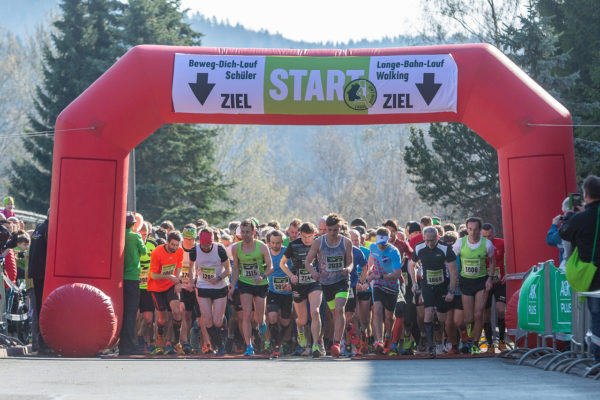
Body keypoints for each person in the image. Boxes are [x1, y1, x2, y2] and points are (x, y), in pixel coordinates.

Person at [559, 175, 600, 363]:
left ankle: (597, 360)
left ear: (585, 194)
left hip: (593, 275)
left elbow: (564, 232)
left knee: (597, 316)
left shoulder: (581, 217)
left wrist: (570, 215)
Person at [305, 213, 353, 358]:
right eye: (329, 230)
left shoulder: (346, 242)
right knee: (333, 313)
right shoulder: (319, 242)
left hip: (341, 280)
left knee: (339, 309)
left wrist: (348, 269)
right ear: (326, 229)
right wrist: (313, 272)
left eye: (335, 230)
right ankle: (338, 338)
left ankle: (337, 343)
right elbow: (307, 262)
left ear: (340, 228)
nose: (332, 233)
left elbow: (350, 262)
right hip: (326, 283)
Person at [410, 226, 458, 356]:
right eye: (427, 240)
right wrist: (414, 283)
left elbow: (454, 270)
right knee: (429, 312)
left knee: (442, 317)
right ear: (423, 238)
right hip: (427, 285)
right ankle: (431, 346)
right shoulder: (419, 247)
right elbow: (411, 265)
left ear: (437, 238)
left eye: (432, 240)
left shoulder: (445, 248)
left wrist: (451, 291)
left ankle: (440, 342)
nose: (430, 243)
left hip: (442, 285)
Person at [229, 219, 273, 356]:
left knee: (259, 318)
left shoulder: (262, 247)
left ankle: (262, 325)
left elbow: (270, 267)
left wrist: (262, 276)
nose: (245, 235)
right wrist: (232, 286)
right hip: (245, 283)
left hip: (260, 284)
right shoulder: (236, 248)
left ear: (254, 232)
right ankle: (249, 346)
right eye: (243, 232)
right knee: (246, 315)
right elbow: (235, 268)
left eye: (248, 232)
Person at [279, 222, 323, 357]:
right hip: (299, 284)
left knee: (315, 312)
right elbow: (282, 263)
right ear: (300, 234)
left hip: (314, 283)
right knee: (302, 320)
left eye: (309, 236)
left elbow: (323, 262)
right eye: (304, 236)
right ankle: (300, 329)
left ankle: (316, 345)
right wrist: (291, 276)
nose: (307, 240)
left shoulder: (318, 244)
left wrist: (321, 273)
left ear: (314, 235)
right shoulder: (294, 245)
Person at [453, 217, 495, 355]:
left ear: (480, 230)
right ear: (467, 229)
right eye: (470, 229)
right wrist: (454, 276)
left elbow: (492, 261)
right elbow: (451, 259)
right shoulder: (460, 243)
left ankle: (475, 344)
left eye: (475, 229)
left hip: (481, 281)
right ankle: (466, 339)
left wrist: (490, 279)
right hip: (466, 281)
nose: (472, 232)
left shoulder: (487, 244)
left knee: (478, 314)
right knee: (469, 317)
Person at [366, 227, 403, 354]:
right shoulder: (373, 247)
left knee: (389, 316)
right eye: (379, 244)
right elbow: (371, 259)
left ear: (389, 240)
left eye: (383, 244)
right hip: (378, 284)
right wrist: (370, 269)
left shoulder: (394, 251)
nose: (381, 247)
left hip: (392, 286)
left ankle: (388, 335)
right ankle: (379, 341)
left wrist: (380, 276)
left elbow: (397, 273)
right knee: (376, 310)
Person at [147, 230, 184, 355]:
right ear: (167, 242)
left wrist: (177, 282)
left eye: (176, 245)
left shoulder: (179, 251)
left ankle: (176, 342)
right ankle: (160, 340)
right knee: (163, 319)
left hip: (170, 286)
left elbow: (179, 266)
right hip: (156, 287)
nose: (174, 247)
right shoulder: (157, 252)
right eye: (172, 244)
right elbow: (153, 275)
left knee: (177, 312)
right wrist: (169, 276)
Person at [195, 226, 230, 355]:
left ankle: (222, 330)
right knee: (207, 320)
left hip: (219, 286)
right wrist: (192, 279)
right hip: (203, 286)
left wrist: (219, 277)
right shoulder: (195, 250)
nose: (205, 248)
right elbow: (190, 268)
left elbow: (228, 270)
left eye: (208, 245)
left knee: (217, 321)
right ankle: (219, 345)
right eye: (203, 245)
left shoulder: (219, 249)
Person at [119, 212, 147, 355]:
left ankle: (120, 345)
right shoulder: (135, 236)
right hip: (133, 278)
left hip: (119, 279)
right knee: (130, 313)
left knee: (120, 312)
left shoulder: (118, 235)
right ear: (133, 224)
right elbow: (144, 251)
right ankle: (129, 345)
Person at [265, 230, 293, 357]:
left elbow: (295, 270)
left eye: (278, 243)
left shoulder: (287, 252)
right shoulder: (266, 253)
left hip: (287, 292)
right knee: (272, 317)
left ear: (282, 241)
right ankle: (275, 344)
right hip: (272, 291)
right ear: (269, 242)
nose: (275, 245)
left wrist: (291, 285)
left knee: (286, 321)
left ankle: (282, 342)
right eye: (273, 243)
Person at [481, 223, 506, 352]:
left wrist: (508, 273)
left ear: (494, 234)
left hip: (499, 282)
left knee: (500, 310)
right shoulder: (478, 246)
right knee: (485, 314)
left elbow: (511, 257)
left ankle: (502, 341)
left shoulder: (501, 243)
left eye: (489, 236)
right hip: (484, 282)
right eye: (484, 236)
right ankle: (490, 344)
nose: (487, 239)